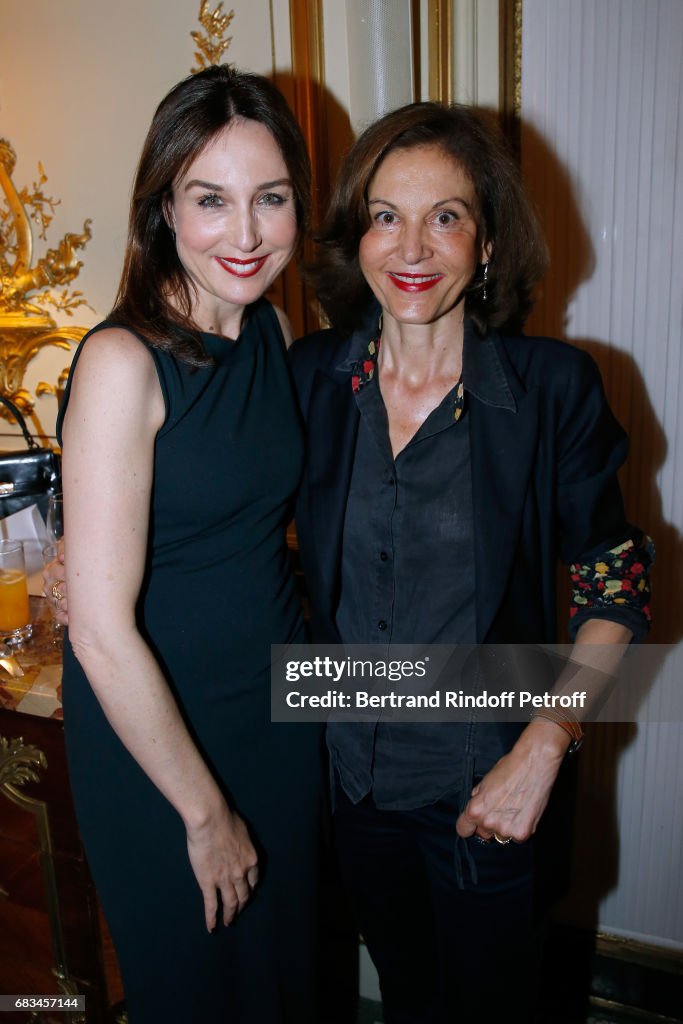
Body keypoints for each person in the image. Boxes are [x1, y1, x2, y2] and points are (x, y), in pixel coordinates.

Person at [288, 102, 653, 1022]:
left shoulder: (551, 390)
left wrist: (543, 749)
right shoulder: (311, 380)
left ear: (486, 242)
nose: (411, 247)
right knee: (408, 998)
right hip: (352, 783)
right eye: (385, 216)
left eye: (445, 216)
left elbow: (614, 585)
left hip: (487, 786)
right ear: (355, 235)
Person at [52, 64, 323, 1023]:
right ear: (163, 207)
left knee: (284, 984)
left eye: (271, 200)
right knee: (198, 999)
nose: (245, 235)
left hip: (271, 716)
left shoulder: (272, 329)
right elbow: (98, 630)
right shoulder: (124, 362)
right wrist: (205, 817)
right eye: (211, 201)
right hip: (157, 743)